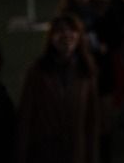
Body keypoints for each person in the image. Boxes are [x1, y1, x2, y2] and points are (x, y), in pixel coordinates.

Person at [15, 14, 99, 163]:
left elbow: (90, 121)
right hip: (45, 152)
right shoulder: (37, 72)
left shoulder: (85, 73)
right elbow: (26, 116)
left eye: (72, 31)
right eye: (60, 31)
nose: (66, 35)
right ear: (51, 37)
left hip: (75, 153)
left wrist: (90, 155)